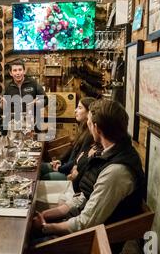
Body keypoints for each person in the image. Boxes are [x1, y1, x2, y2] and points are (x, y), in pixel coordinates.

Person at [33, 99, 145, 238]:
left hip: (90, 243)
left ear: (97, 128)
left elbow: (85, 223)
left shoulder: (116, 171)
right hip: (83, 230)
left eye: (90, 122)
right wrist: (46, 215)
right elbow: (83, 197)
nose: (87, 124)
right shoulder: (109, 153)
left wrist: (46, 228)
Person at [41, 96, 97, 181]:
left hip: (71, 174)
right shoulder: (82, 128)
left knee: (45, 177)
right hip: (66, 167)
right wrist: (60, 161)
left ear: (89, 112)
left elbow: (78, 159)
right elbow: (72, 149)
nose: (75, 110)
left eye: (80, 108)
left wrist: (61, 168)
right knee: (40, 167)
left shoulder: (90, 134)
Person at [0, 59, 48, 133]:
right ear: (10, 73)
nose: (18, 73)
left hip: (33, 124)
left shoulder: (33, 83)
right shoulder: (8, 87)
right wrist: (3, 105)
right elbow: (3, 108)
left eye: (20, 70)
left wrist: (36, 102)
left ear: (24, 71)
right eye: (15, 70)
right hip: (15, 126)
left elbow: (45, 100)